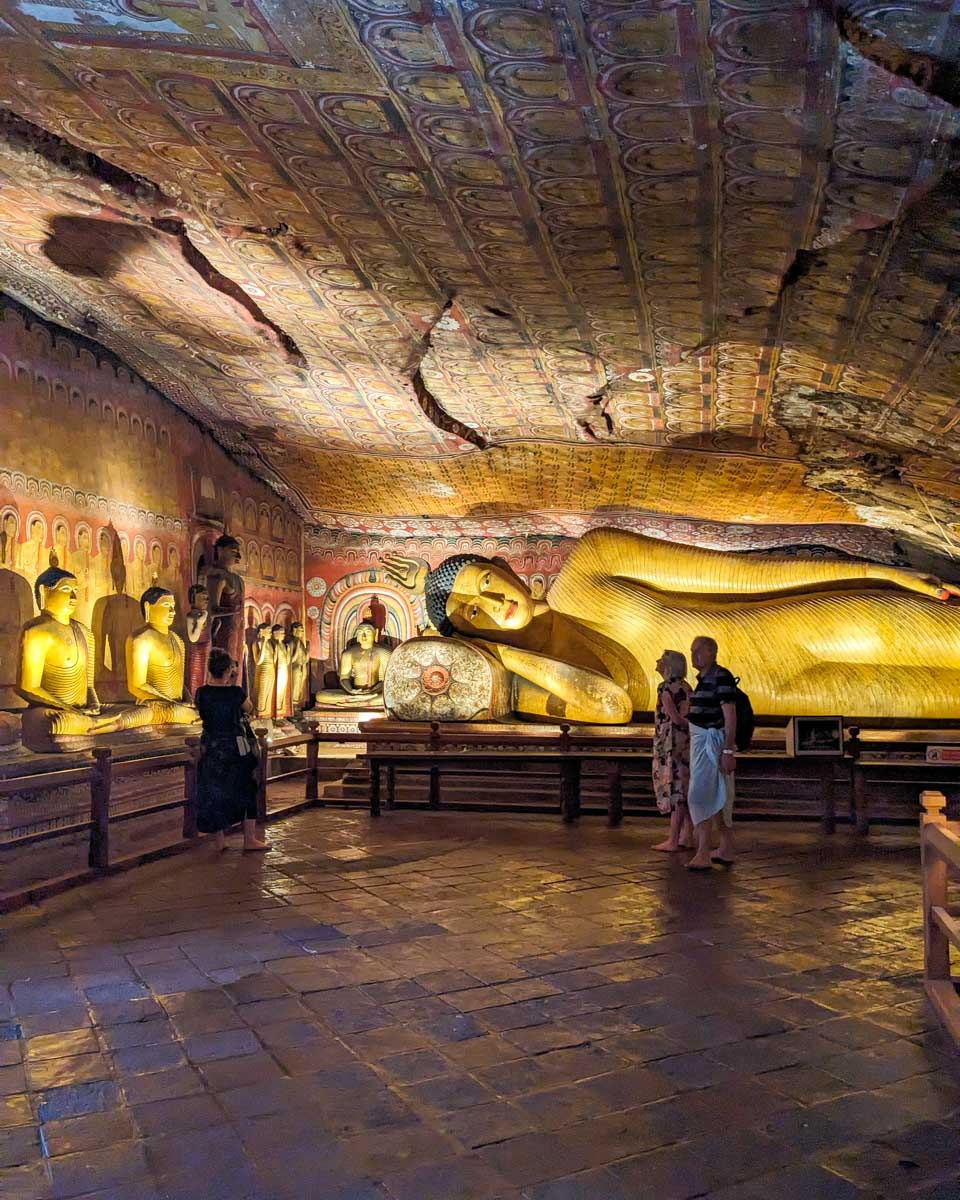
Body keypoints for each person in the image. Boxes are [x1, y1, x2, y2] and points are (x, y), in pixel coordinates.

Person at [194, 649, 269, 853]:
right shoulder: (235, 692)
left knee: (215, 791)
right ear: (228, 670)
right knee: (246, 788)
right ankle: (249, 838)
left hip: (210, 745)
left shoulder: (201, 693)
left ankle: (220, 840)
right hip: (236, 745)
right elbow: (249, 708)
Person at [686, 636, 737, 870]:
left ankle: (703, 851)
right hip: (701, 743)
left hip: (711, 743)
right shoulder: (703, 679)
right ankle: (725, 847)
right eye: (692, 651)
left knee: (700, 795)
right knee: (714, 796)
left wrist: (727, 749)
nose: (694, 655)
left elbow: (729, 716)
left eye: (699, 651)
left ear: (712, 653)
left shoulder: (721, 676)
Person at [651, 649, 693, 853]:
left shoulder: (665, 688)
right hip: (685, 743)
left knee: (674, 788)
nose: (657, 662)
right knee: (684, 788)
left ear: (668, 665)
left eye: (661, 660)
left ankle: (673, 839)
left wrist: (681, 723)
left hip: (669, 743)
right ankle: (687, 835)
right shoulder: (687, 687)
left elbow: (674, 717)